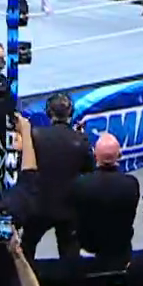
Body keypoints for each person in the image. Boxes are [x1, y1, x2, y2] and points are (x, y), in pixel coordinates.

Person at [25, 93, 92, 261]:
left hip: (40, 205)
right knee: (70, 255)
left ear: (48, 113)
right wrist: (78, 138)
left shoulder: (35, 136)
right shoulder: (81, 140)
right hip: (68, 207)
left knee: (25, 250)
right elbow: (89, 170)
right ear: (71, 113)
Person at [68, 133, 139, 273]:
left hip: (89, 252)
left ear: (95, 155)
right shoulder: (131, 184)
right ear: (119, 155)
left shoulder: (81, 185)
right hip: (121, 251)